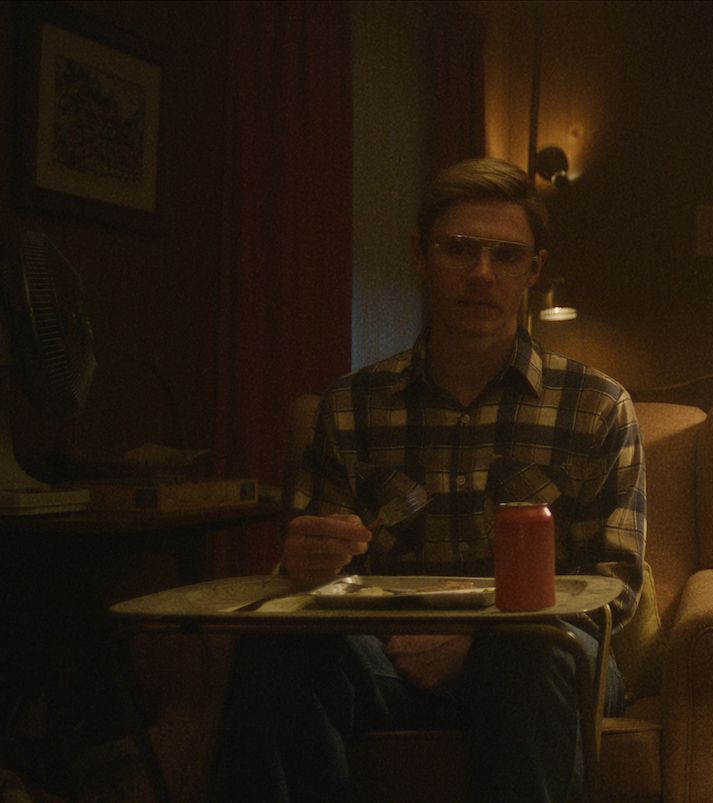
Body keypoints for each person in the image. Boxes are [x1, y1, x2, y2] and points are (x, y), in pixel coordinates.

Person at [217, 157, 645, 803]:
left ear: (533, 270)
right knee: (274, 649)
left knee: (537, 655)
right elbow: (318, 582)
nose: (481, 273)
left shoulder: (596, 405)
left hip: (541, 652)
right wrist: (305, 564)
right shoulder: (351, 406)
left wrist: (478, 638)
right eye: (459, 249)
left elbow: (616, 582)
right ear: (422, 255)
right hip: (387, 654)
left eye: (505, 255)